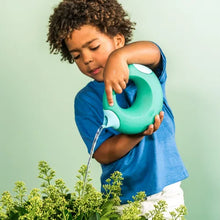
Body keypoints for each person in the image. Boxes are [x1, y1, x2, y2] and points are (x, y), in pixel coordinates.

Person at [47, 0, 189, 216]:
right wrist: (137, 133)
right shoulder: (86, 100)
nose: (87, 59)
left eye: (94, 47)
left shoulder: (145, 74)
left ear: (118, 40)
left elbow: (154, 52)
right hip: (121, 199)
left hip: (166, 193)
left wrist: (119, 57)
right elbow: (103, 153)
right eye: (76, 55)